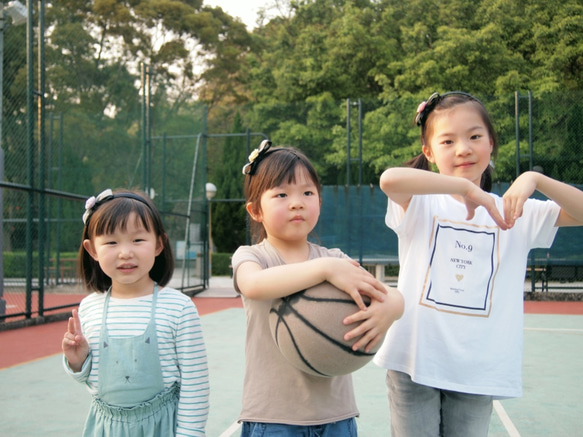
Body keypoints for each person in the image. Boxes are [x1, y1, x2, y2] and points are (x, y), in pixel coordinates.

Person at [374, 91, 583, 436]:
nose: (463, 149)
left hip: (476, 370)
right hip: (413, 361)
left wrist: (536, 179)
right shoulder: (421, 204)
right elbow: (389, 180)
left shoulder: (516, 213)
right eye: (448, 141)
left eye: (474, 137)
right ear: (429, 152)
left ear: (491, 143)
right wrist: (465, 189)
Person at [232, 140, 404, 436]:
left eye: (307, 193)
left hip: (336, 416)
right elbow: (253, 285)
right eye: (282, 194)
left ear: (319, 204)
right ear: (255, 210)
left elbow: (392, 295)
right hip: (272, 417)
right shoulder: (252, 257)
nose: (297, 202)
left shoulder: (335, 258)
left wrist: (390, 308)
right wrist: (325, 270)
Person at [61, 188, 209, 437]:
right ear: (92, 250)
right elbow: (89, 381)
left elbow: (195, 385)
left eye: (138, 240)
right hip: (105, 428)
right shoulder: (89, 307)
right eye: (111, 242)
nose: (125, 252)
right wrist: (77, 362)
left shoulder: (179, 308)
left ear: (159, 244)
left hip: (163, 428)